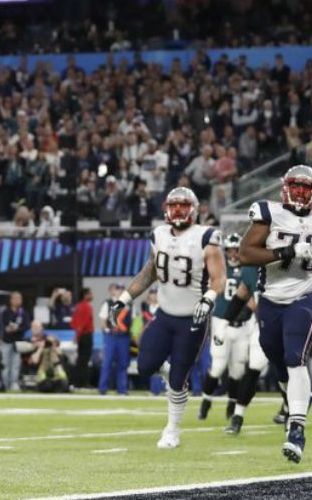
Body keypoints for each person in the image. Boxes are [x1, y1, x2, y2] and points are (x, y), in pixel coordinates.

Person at [239, 165, 312, 463]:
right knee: (275, 358)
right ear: (286, 187)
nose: (301, 194)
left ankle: (297, 429)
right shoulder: (270, 213)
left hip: (306, 294)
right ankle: (297, 398)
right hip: (271, 298)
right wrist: (285, 252)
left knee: (296, 357)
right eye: (297, 187)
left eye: (307, 189)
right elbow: (246, 253)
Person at [109, 187, 226, 450]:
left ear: (194, 210)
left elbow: (219, 279)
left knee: (177, 381)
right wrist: (124, 299)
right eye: (174, 206)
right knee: (145, 366)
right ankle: (173, 376)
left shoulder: (207, 236)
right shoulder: (158, 234)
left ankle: (172, 429)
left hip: (192, 319)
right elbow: (150, 272)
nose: (178, 211)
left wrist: (208, 298)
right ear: (166, 209)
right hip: (164, 315)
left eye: (184, 206)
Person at [198, 233, 266, 435]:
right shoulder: (221, 268)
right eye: (231, 250)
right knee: (218, 366)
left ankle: (233, 405)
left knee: (238, 370)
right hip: (223, 320)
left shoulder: (250, 268)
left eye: (237, 250)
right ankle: (206, 401)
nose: (234, 254)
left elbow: (250, 297)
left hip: (245, 324)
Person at [98, 283, 132, 395]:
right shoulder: (107, 303)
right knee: (107, 362)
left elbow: (134, 320)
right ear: (112, 291)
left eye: (122, 289)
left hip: (124, 337)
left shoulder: (129, 304)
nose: (120, 291)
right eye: (118, 289)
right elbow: (103, 319)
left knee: (123, 363)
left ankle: (122, 388)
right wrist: (107, 331)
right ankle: (103, 388)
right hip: (111, 337)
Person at [0, 291, 30, 391]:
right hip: (6, 341)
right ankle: (4, 384)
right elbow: (1, 325)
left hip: (18, 342)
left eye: (19, 298)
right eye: (16, 298)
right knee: (5, 364)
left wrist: (17, 329)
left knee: (15, 365)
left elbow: (26, 326)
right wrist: (6, 329)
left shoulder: (23, 312)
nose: (18, 300)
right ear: (11, 300)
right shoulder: (5, 312)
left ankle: (13, 384)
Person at [71, 288, 94, 388]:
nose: (92, 295)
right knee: (84, 360)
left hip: (82, 335)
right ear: (85, 295)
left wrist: (77, 334)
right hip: (86, 335)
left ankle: (78, 382)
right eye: (90, 293)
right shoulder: (86, 306)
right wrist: (78, 335)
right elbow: (83, 323)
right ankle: (83, 383)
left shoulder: (78, 306)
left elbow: (74, 322)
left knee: (81, 359)